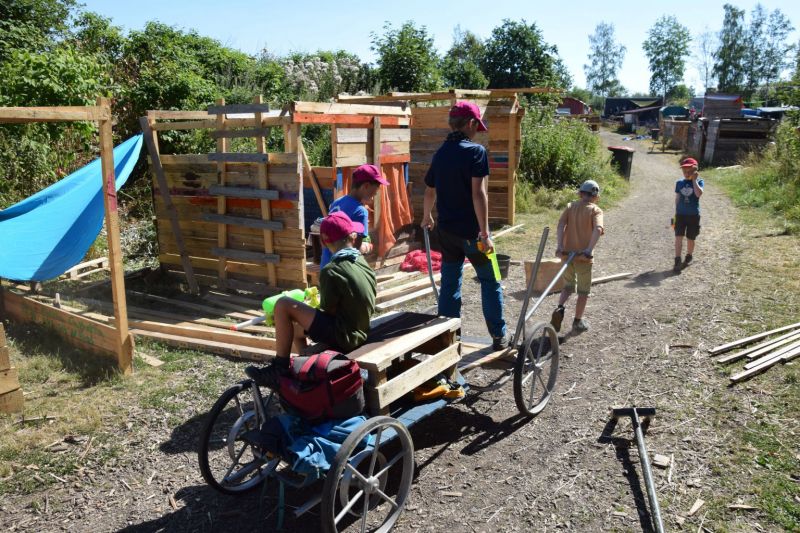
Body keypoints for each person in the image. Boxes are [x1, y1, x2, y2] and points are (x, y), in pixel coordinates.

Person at [246, 211, 377, 387]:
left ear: (323, 241)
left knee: (283, 305)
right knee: (295, 329)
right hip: (361, 330)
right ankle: (308, 373)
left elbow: (328, 311)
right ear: (352, 237)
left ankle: (279, 368)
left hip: (345, 336)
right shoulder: (360, 261)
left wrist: (307, 309)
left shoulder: (331, 270)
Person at [421, 101, 508, 350]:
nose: (477, 131)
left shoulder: (441, 153)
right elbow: (478, 194)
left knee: (449, 284)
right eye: (476, 126)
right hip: (473, 236)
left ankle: (447, 339)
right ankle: (499, 336)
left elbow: (429, 191)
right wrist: (485, 233)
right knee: (490, 281)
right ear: (470, 124)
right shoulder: (475, 152)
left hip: (447, 233)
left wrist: (427, 216)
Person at [550, 180, 605, 333]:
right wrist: (588, 249)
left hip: (567, 256)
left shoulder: (570, 207)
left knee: (567, 286)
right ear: (595, 196)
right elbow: (598, 229)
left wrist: (560, 246)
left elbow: (561, 225)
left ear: (580, 193)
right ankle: (577, 322)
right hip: (583, 258)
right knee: (583, 291)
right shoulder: (596, 211)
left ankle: (559, 309)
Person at [319, 164, 388, 268]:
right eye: (376, 190)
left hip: (326, 265)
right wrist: (368, 247)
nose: (375, 194)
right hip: (344, 268)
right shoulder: (361, 212)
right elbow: (355, 249)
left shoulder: (337, 202)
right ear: (366, 186)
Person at [673, 157, 704, 273]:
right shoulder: (679, 183)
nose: (686, 174)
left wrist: (694, 180)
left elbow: (698, 194)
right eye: (684, 171)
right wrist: (675, 213)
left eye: (689, 171)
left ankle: (689, 255)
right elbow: (677, 198)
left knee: (691, 238)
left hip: (693, 216)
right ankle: (677, 259)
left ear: (695, 171)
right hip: (680, 215)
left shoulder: (699, 182)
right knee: (678, 237)